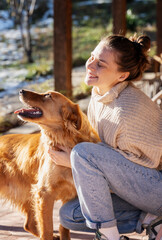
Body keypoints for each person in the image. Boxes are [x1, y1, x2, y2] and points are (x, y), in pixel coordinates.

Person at [48, 35, 162, 240]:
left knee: (82, 153)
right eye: (92, 57)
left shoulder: (126, 112)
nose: (90, 65)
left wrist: (74, 161)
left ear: (121, 76)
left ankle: (109, 237)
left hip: (156, 185)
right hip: (142, 187)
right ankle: (152, 220)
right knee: (70, 215)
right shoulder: (100, 94)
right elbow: (119, 169)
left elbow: (142, 169)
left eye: (100, 64)